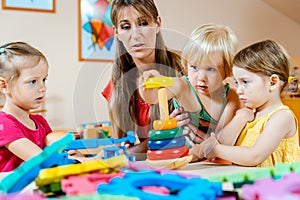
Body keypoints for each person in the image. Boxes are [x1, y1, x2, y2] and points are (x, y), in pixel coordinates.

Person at [139, 23, 241, 161]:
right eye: (194, 67)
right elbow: (152, 97)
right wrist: (147, 84)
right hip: (180, 161)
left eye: (211, 69)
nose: (201, 77)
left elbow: (222, 138)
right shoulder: (183, 86)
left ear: (227, 71)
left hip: (210, 162)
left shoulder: (232, 97)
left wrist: (196, 154)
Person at [101, 0, 188, 158]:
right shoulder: (117, 84)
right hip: (150, 166)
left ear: (157, 23)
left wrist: (138, 148)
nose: (136, 35)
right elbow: (119, 147)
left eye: (143, 23)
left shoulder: (184, 69)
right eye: (126, 27)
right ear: (116, 33)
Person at [202, 39, 300, 167]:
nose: (238, 90)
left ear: (273, 83)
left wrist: (216, 149)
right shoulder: (249, 114)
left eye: (245, 82)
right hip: (253, 184)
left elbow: (254, 156)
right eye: (237, 82)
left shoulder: (282, 117)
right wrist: (240, 118)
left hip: (278, 185)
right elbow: (222, 142)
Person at [0, 42, 53, 172]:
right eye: (33, 81)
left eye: (44, 80)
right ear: (4, 85)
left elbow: (55, 150)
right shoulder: (3, 123)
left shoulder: (40, 122)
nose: (42, 88)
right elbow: (41, 159)